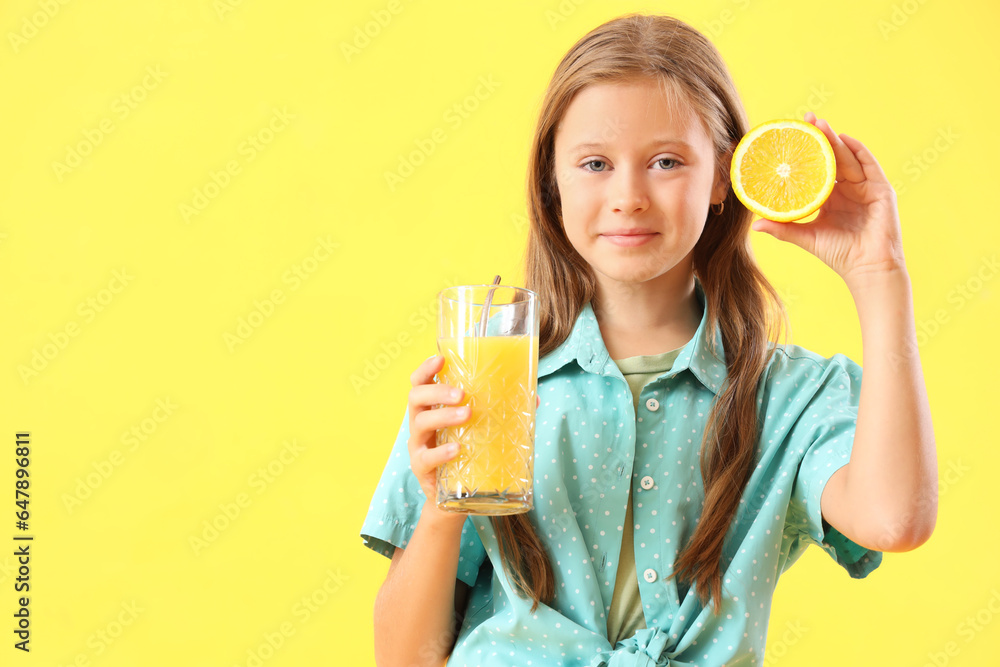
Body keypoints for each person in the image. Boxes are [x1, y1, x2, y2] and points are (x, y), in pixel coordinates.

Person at [361, 12, 937, 667]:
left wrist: (879, 274)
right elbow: (404, 659)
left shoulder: (791, 397)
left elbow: (896, 520)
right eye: (595, 163)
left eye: (666, 161)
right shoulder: (485, 379)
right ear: (552, 184)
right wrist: (441, 505)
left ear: (721, 176)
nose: (628, 196)